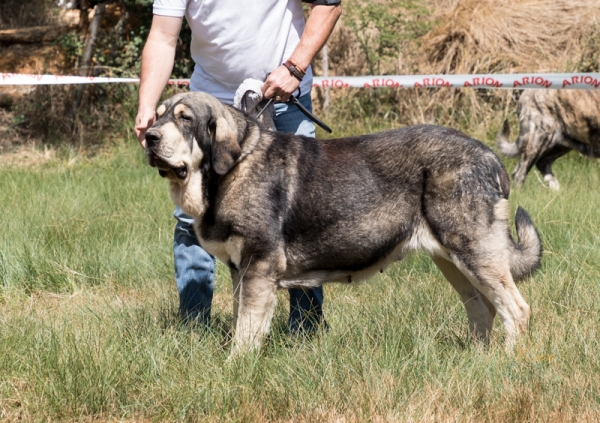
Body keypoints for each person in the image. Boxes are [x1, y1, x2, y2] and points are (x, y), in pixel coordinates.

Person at [134, 0, 342, 332]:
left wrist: (295, 67)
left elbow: (328, 6)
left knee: (301, 217)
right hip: (207, 109)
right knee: (191, 220)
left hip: (284, 96)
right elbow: (162, 36)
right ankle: (194, 327)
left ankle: (306, 330)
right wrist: (147, 105)